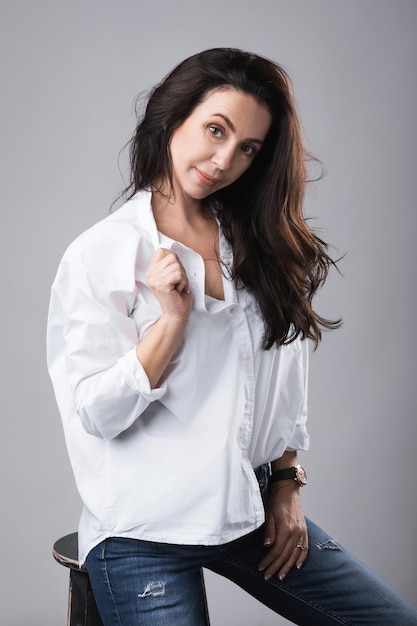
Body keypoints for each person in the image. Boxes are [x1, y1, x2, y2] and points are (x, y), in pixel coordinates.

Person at [47, 48, 417, 625]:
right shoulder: (102, 253)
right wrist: (171, 323)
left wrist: (288, 483)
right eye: (214, 130)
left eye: (248, 148)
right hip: (144, 529)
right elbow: (96, 413)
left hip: (251, 510)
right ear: (174, 118)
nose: (223, 160)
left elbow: (286, 379)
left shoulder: (258, 244)